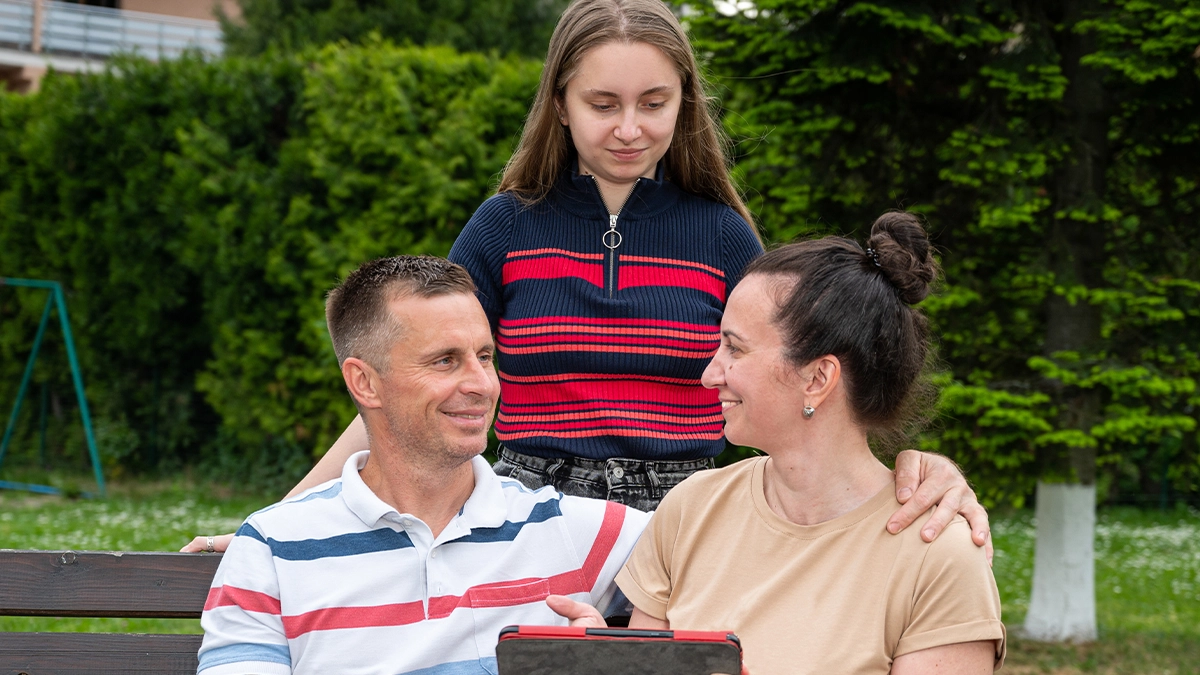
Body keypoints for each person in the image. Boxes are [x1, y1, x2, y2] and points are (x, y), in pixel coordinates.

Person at [184, 0, 990, 552]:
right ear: (560, 102)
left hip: (690, 528)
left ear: (686, 104)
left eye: (655, 102)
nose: (631, 128)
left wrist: (919, 468)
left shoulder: (722, 235)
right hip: (521, 527)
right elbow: (405, 391)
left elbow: (799, 389)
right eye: (603, 102)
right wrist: (276, 523)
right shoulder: (504, 226)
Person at [573, 213, 1007, 674]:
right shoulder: (689, 510)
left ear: (817, 378)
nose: (708, 375)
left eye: (734, 349)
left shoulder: (937, 553)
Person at [196, 256, 649, 675]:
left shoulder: (571, 530)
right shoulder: (273, 549)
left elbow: (716, 557)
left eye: (485, 357)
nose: (482, 384)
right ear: (365, 382)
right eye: (445, 361)